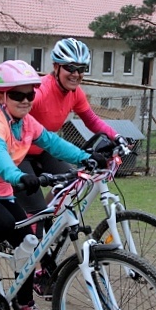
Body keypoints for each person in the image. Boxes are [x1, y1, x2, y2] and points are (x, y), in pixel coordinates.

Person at [0, 60, 106, 310]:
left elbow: (54, 144)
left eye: (30, 94)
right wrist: (18, 177)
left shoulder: (27, 123)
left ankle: (24, 304)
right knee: (3, 223)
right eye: (17, 95)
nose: (25, 100)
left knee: (30, 243)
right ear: (0, 96)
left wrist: (86, 158)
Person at [14, 38, 129, 296]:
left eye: (81, 69)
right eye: (70, 68)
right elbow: (17, 122)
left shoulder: (75, 93)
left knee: (74, 181)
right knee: (38, 210)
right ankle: (38, 267)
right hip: (21, 152)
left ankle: (48, 220)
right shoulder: (40, 92)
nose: (76, 74)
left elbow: (91, 119)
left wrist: (116, 136)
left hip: (45, 150)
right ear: (56, 67)